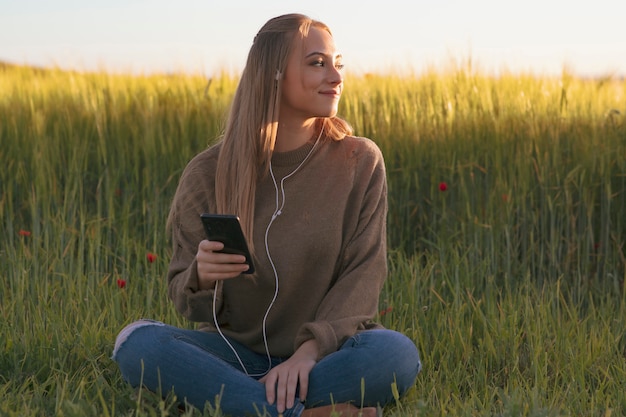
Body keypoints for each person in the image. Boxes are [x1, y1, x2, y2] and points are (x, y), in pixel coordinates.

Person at [112, 13, 421, 417]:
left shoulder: (359, 161)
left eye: (337, 63)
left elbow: (362, 276)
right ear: (274, 74)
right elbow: (185, 298)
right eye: (317, 63)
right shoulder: (207, 174)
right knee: (135, 343)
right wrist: (202, 276)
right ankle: (302, 411)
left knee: (394, 354)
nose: (336, 76)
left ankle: (239, 402)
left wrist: (307, 354)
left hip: (324, 357)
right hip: (234, 355)